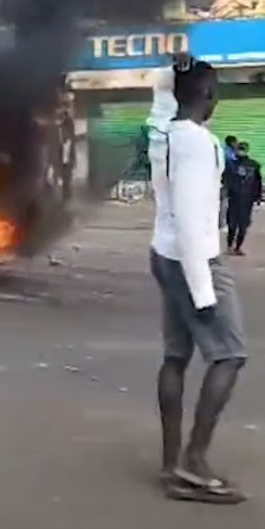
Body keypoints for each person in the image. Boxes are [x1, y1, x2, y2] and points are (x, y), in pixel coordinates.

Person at [149, 56, 247, 504]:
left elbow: (158, 99)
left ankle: (173, 464)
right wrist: (204, 292)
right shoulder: (196, 143)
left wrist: (171, 76)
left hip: (164, 254)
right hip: (195, 260)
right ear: (206, 96)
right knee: (228, 355)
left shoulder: (163, 133)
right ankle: (194, 461)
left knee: (176, 356)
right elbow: (191, 220)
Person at [224, 141, 262, 256]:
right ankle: (230, 246)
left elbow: (257, 182)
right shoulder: (230, 165)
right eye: (239, 149)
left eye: (242, 149)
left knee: (243, 225)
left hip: (247, 200)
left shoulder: (254, 165)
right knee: (232, 224)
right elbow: (225, 179)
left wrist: (258, 196)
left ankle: (238, 247)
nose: (240, 151)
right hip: (234, 198)